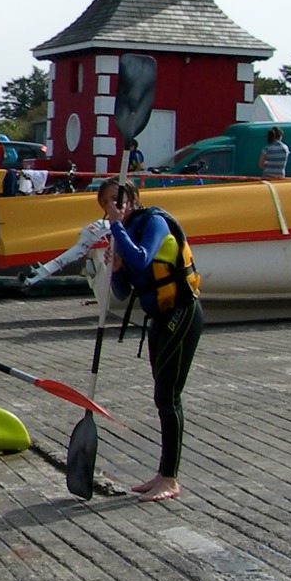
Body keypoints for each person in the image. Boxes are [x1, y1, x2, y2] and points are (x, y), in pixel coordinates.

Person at [101, 176, 203, 503]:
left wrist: (117, 232)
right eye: (105, 204)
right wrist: (115, 266)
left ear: (131, 198)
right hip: (159, 318)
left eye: (116, 200)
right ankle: (163, 473)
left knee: (168, 396)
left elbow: (144, 258)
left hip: (181, 313)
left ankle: (170, 479)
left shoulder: (154, 222)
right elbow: (120, 292)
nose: (111, 208)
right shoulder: (123, 235)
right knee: (163, 395)